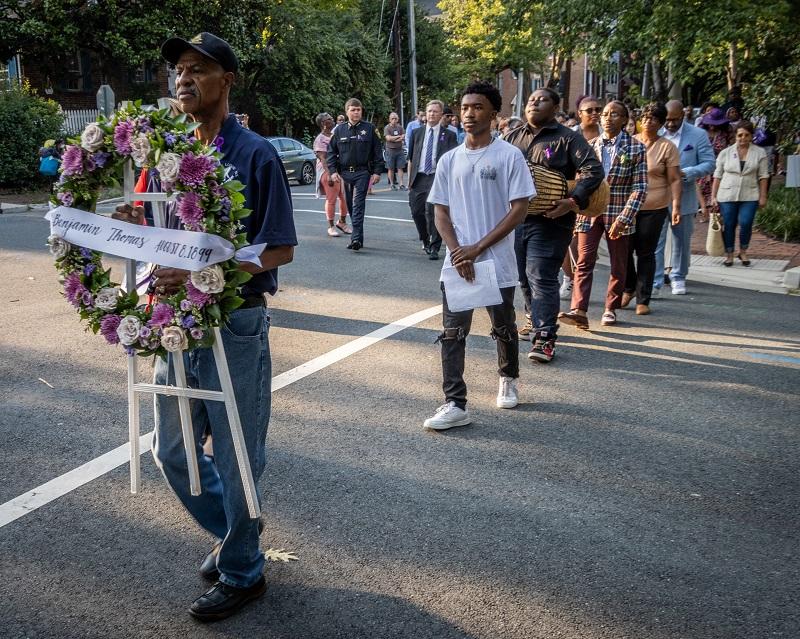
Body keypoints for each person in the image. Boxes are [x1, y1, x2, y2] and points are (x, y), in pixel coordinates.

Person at [114, 32, 297, 621]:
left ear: (228, 81)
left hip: (236, 322)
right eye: (178, 71)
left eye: (198, 69)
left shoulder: (256, 153)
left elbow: (280, 250)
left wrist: (208, 269)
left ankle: (244, 573)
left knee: (239, 453)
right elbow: (155, 225)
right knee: (172, 451)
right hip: (177, 324)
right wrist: (130, 216)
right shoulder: (164, 153)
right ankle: (239, 540)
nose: (183, 79)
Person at [423, 81, 535, 430]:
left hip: (495, 262)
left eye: (478, 107)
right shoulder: (449, 159)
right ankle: (454, 403)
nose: (469, 113)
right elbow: (440, 211)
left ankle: (508, 377)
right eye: (465, 107)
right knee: (453, 332)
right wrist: (459, 251)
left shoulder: (508, 156)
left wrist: (478, 248)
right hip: (458, 261)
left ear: (493, 113)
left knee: (503, 325)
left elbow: (519, 209)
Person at [505, 87, 603, 358]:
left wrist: (573, 202)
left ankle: (545, 337)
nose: (534, 103)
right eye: (531, 100)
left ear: (556, 107)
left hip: (551, 220)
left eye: (542, 99)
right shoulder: (512, 137)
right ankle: (534, 318)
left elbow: (593, 171)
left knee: (541, 275)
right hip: (516, 219)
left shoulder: (569, 138)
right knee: (523, 277)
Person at [559, 100, 647, 329]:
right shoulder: (590, 145)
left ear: (625, 120)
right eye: (606, 113)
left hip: (619, 212)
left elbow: (640, 187)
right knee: (584, 261)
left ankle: (610, 308)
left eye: (615, 114)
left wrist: (626, 217)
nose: (607, 117)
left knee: (619, 264)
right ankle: (579, 309)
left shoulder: (636, 148)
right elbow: (580, 178)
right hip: (590, 211)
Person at [621, 102, 682, 315]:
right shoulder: (630, 142)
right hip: (628, 206)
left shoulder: (667, 147)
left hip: (655, 206)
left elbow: (674, 179)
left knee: (646, 252)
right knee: (624, 249)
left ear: (661, 123)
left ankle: (643, 298)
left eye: (654, 119)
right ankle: (628, 288)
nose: (648, 122)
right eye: (645, 117)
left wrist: (675, 206)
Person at [652, 100, 716, 296]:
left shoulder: (698, 135)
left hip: (685, 195)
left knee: (682, 240)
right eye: (667, 120)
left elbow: (709, 163)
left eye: (675, 120)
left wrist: (686, 172)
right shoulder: (656, 133)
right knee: (656, 240)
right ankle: (655, 280)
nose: (670, 124)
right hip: (658, 195)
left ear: (684, 116)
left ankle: (678, 277)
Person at [561, 95, 603, 303]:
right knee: (566, 242)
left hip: (599, 199)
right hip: (570, 195)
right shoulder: (568, 136)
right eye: (590, 110)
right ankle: (569, 277)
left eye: (598, 109)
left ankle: (580, 284)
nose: (595, 113)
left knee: (586, 249)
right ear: (580, 114)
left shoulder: (607, 136)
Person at [327, 98, 382, 251]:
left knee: (358, 204)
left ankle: (356, 238)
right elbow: (331, 153)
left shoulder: (369, 129)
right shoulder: (339, 130)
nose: (356, 112)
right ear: (347, 112)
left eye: (358, 109)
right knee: (351, 206)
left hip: (362, 172)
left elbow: (378, 152)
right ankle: (359, 237)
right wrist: (332, 172)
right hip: (345, 173)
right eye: (353, 109)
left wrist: (377, 171)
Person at [711, 120, 769, 266]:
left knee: (746, 222)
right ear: (735, 136)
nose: (743, 138)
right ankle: (729, 254)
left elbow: (763, 176)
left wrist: (763, 196)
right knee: (729, 224)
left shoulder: (759, 153)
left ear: (751, 136)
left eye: (746, 135)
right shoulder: (726, 153)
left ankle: (743, 251)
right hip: (727, 194)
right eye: (740, 135)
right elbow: (717, 176)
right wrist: (713, 196)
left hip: (750, 194)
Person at [407, 100, 458, 260]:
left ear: (441, 115)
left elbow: (452, 161)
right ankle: (425, 239)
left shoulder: (449, 135)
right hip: (419, 177)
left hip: (437, 177)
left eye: (435, 111)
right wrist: (409, 180)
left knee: (432, 211)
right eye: (429, 111)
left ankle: (435, 246)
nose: (431, 114)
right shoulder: (417, 133)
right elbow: (411, 158)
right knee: (416, 211)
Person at [313, 112, 351, 237]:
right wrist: (329, 174)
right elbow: (323, 159)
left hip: (339, 170)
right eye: (328, 119)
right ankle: (331, 226)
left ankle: (342, 222)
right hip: (327, 170)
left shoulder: (335, 135)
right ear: (324, 124)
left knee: (344, 197)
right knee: (332, 199)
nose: (332, 119)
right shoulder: (320, 139)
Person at [695, 107, 731, 224]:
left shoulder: (723, 134)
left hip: (719, 166)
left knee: (716, 191)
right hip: (703, 166)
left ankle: (716, 215)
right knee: (702, 190)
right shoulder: (701, 133)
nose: (711, 126)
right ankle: (705, 212)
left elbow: (726, 150)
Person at [383, 111, 407, 190]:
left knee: (400, 167)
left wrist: (394, 138)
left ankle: (401, 184)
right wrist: (398, 138)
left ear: (398, 119)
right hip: (390, 150)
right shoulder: (387, 128)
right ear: (389, 119)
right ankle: (392, 184)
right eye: (392, 118)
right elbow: (388, 138)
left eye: (395, 118)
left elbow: (403, 136)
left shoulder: (400, 127)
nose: (394, 120)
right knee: (391, 168)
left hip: (399, 150)